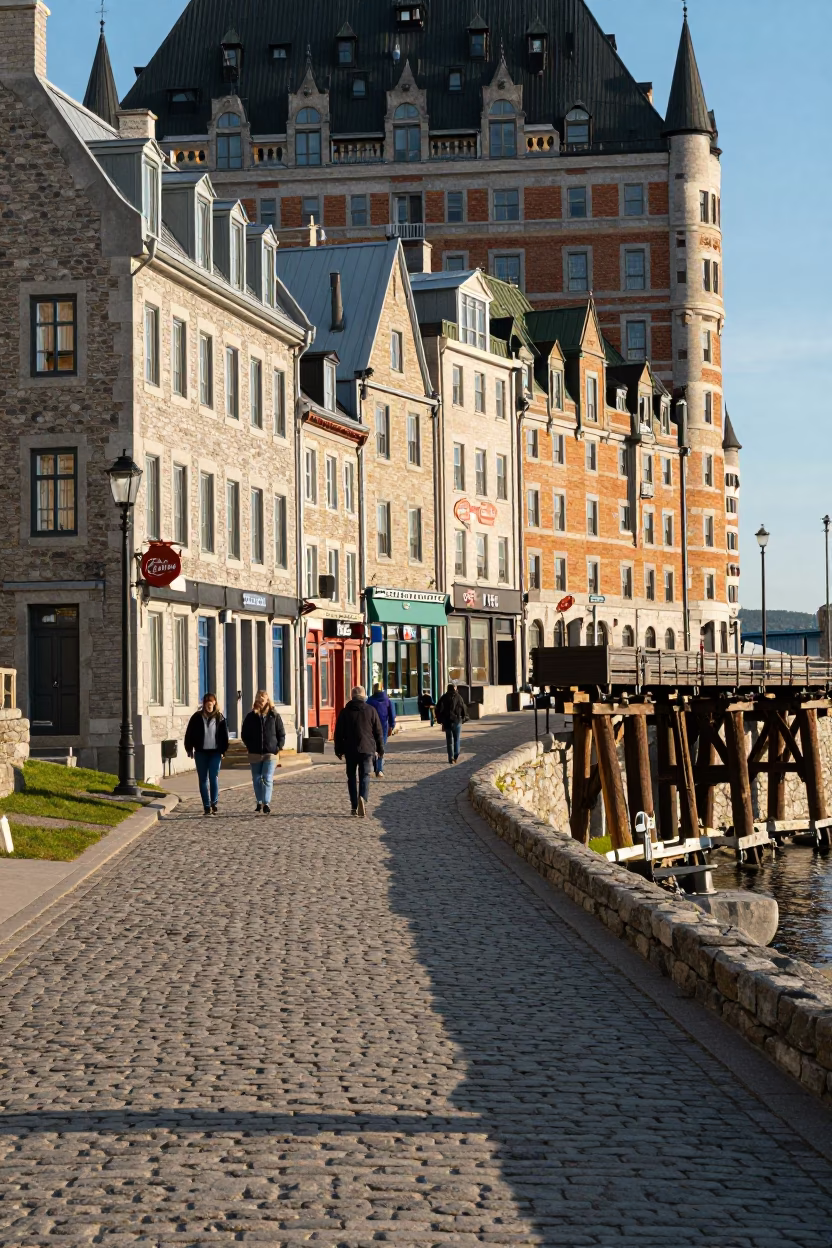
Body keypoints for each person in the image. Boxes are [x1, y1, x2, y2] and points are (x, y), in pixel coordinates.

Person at [334, 685, 384, 817]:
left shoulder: (345, 712)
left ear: (352, 696)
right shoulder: (371, 710)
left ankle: (354, 806)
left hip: (350, 749)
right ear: (364, 696)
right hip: (367, 748)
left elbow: (338, 733)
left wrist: (338, 749)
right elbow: (378, 732)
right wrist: (380, 749)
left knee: (351, 777)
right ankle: (362, 797)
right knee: (365, 775)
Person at [184, 693, 230, 815]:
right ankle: (206, 805)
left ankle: (214, 802)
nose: (209, 706)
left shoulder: (220, 718)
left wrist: (223, 750)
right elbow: (189, 733)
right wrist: (189, 748)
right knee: (203, 779)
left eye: (211, 704)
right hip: (201, 752)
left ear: (214, 704)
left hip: (215, 752)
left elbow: (224, 736)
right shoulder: (197, 717)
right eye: (207, 704)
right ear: (204, 704)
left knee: (213, 777)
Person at [241, 690, 286, 814]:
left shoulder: (274, 716)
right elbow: (244, 734)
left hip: (270, 752)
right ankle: (259, 801)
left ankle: (266, 803)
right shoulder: (251, 717)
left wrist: (278, 747)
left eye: (263, 698)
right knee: (256, 778)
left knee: (267, 777)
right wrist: (250, 746)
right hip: (255, 752)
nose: (261, 700)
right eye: (259, 698)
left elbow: (281, 733)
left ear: (267, 700)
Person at [367, 683, 396, 777]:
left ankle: (376, 766)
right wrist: (392, 726)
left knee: (372, 747)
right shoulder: (387, 700)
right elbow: (392, 714)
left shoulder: (370, 701)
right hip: (383, 727)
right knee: (381, 747)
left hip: (371, 727)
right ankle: (379, 769)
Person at [435, 682, 468, 765]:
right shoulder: (459, 697)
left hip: (447, 721)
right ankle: (456, 755)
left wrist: (440, 720)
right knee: (456, 739)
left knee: (449, 740)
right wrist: (464, 718)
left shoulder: (443, 697)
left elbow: (438, 709)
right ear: (455, 689)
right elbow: (463, 707)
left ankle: (451, 758)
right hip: (457, 720)